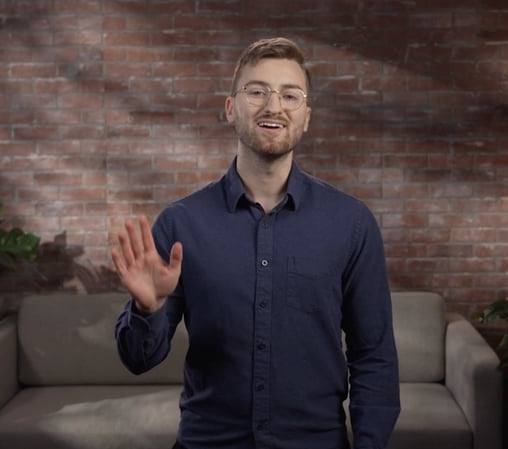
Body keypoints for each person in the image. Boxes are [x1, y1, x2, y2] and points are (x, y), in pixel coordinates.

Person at [111, 37, 400, 449]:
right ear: (231, 108)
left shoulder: (351, 223)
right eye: (257, 91)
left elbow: (374, 357)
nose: (274, 106)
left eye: (290, 95)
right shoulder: (180, 224)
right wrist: (147, 310)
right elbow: (138, 360)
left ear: (306, 117)